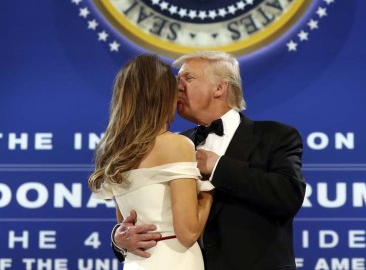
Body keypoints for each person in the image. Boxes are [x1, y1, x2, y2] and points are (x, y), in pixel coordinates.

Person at [113, 51, 306, 270]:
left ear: (220, 88)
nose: (178, 86)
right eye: (177, 79)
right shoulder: (172, 144)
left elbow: (289, 196)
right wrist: (119, 239)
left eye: (188, 78)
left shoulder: (275, 136)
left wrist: (218, 167)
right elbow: (141, 211)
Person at [90, 54, 214, 269]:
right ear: (163, 96)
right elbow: (188, 233)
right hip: (176, 260)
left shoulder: (113, 150)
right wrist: (210, 191)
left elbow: (126, 223)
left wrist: (118, 239)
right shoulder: (177, 145)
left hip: (137, 262)